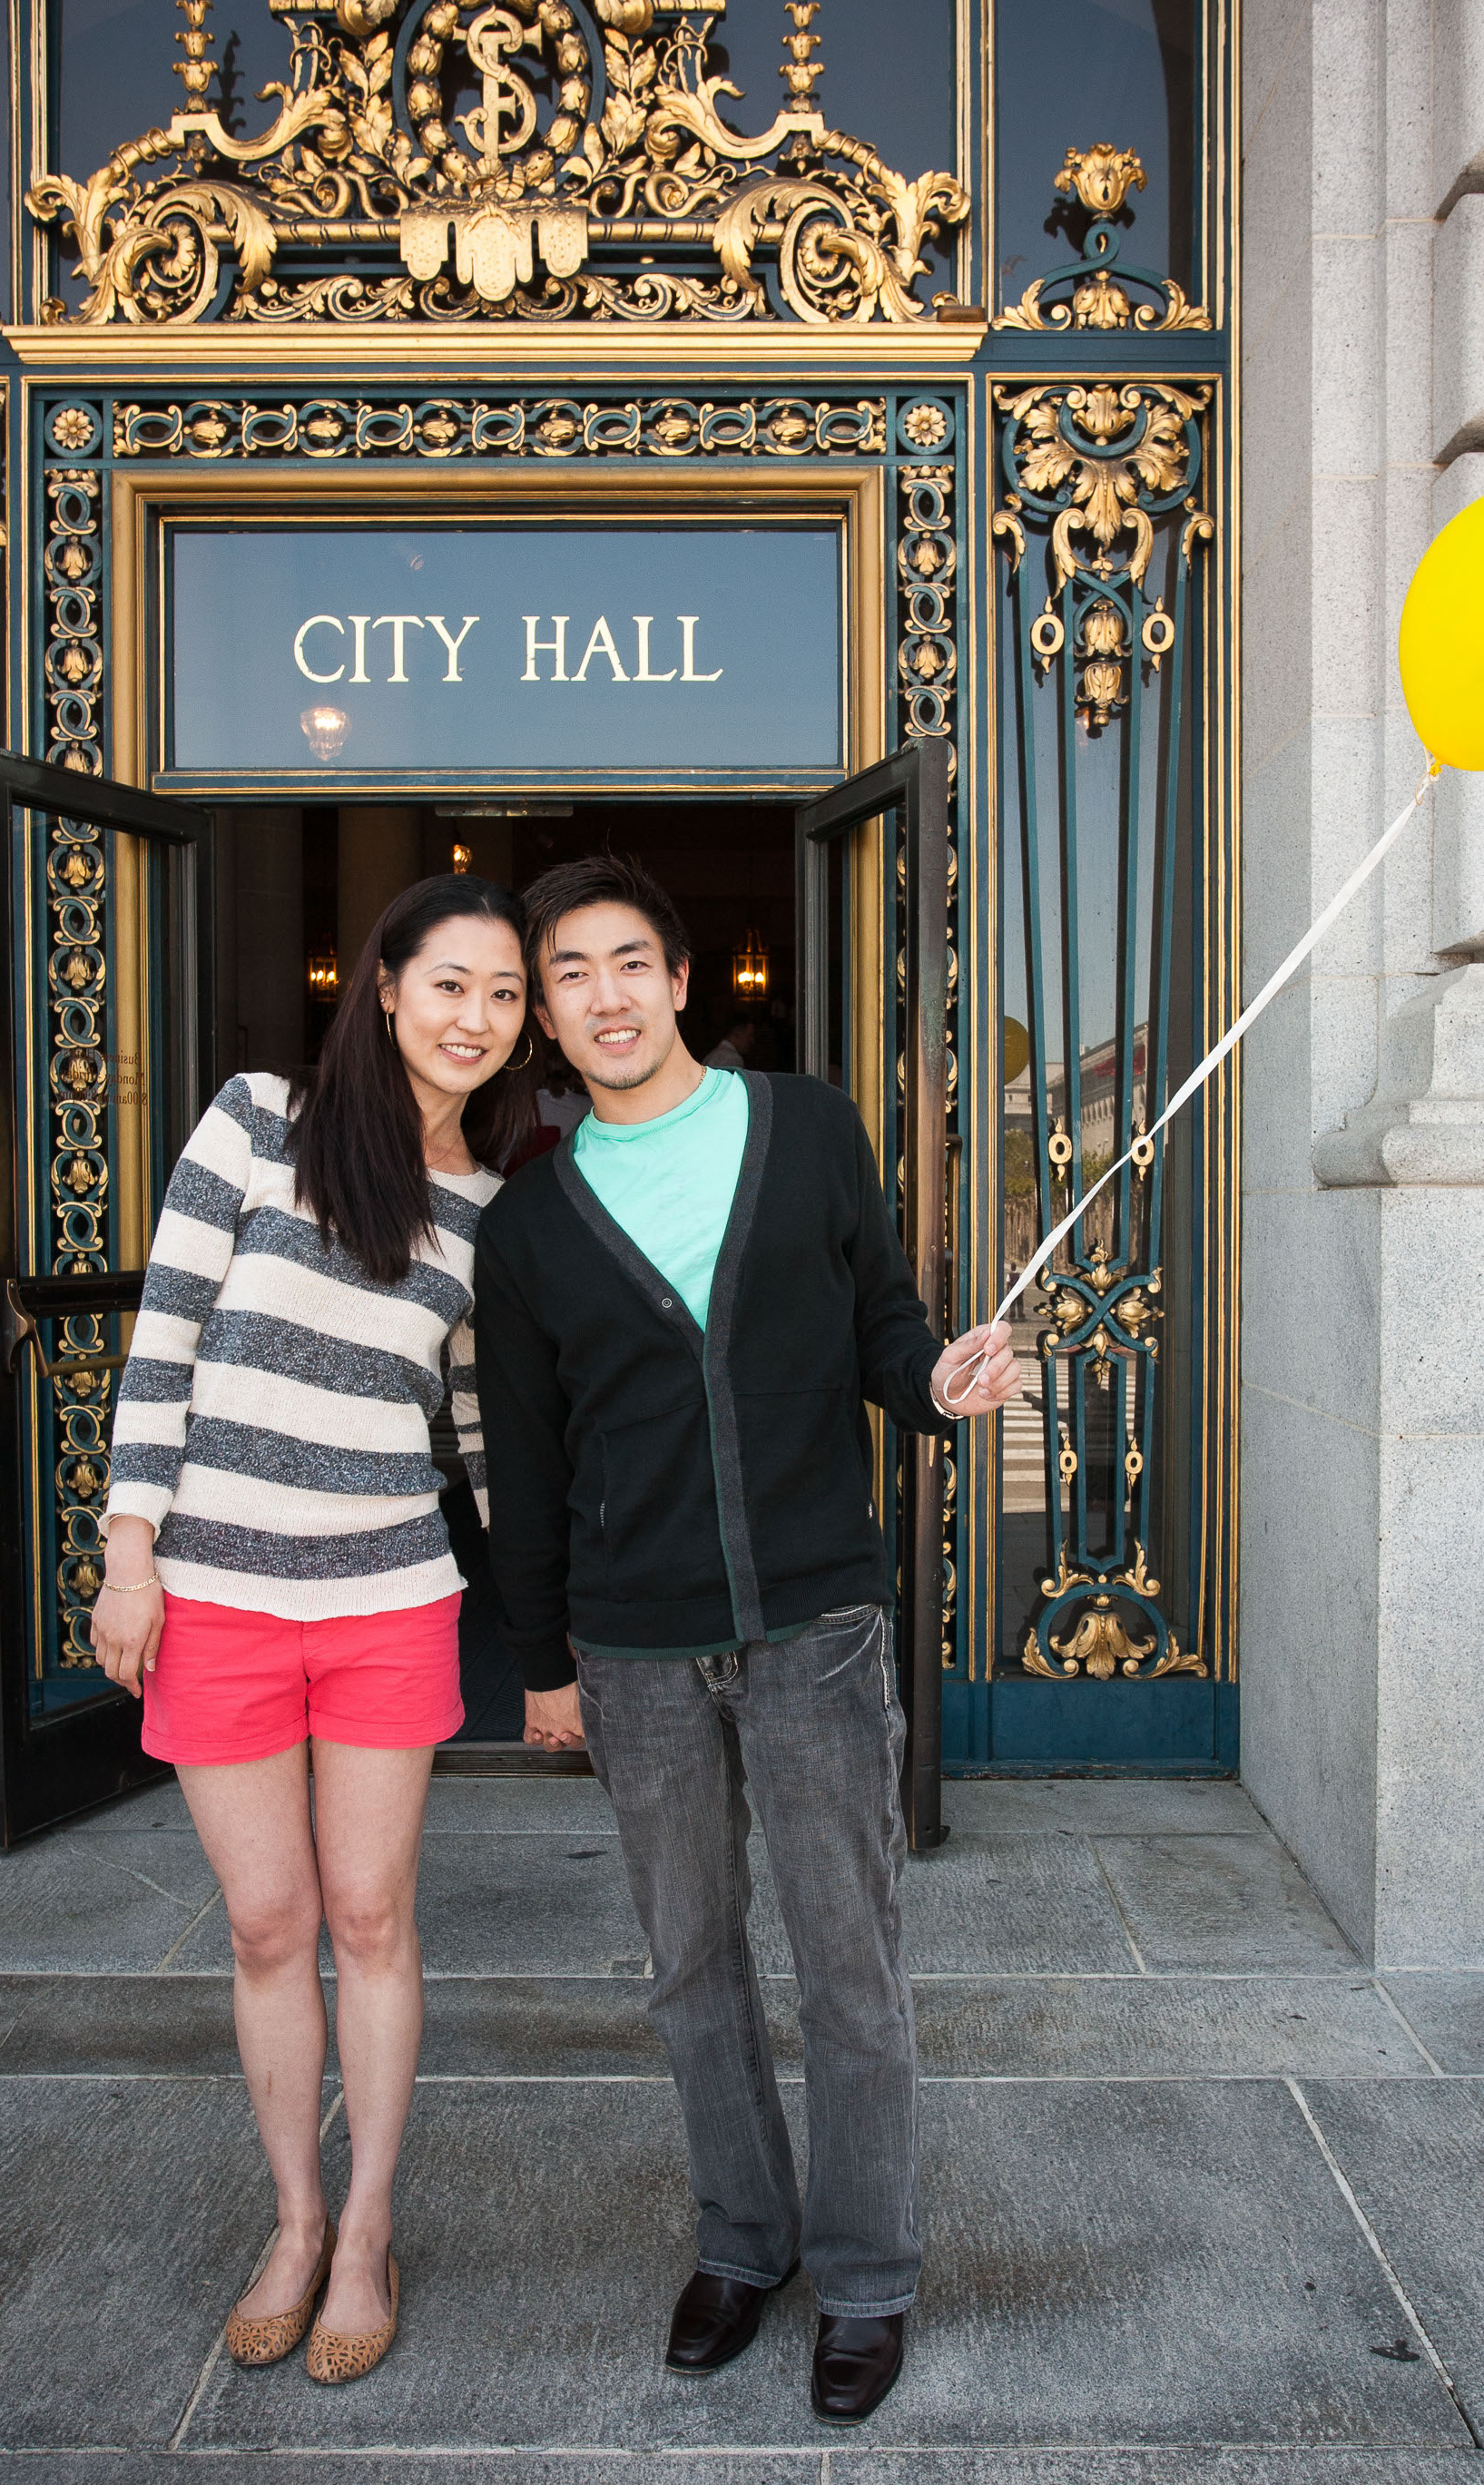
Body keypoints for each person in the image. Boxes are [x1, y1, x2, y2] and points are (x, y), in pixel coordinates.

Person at [470, 853, 1020, 2427]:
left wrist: (934, 1387)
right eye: (567, 973)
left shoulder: (809, 1127)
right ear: (544, 1015)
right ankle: (743, 2237)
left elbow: (883, 1330)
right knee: (689, 1967)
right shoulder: (528, 1223)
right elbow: (528, 1457)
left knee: (852, 1966)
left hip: (813, 1625)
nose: (605, 994)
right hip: (635, 1650)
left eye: (627, 960)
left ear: (681, 978)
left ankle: (864, 2276)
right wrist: (546, 1661)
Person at [92, 875, 536, 2385]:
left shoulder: (485, 1203)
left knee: (370, 1919)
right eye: (452, 984)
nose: (477, 1017)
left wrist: (550, 1602)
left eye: (504, 995)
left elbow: (479, 1430)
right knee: (269, 1922)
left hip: (389, 1597)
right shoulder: (255, 1119)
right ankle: (290, 2218)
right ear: (388, 987)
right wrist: (128, 1553)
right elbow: (163, 1337)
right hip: (214, 1589)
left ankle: (365, 2230)